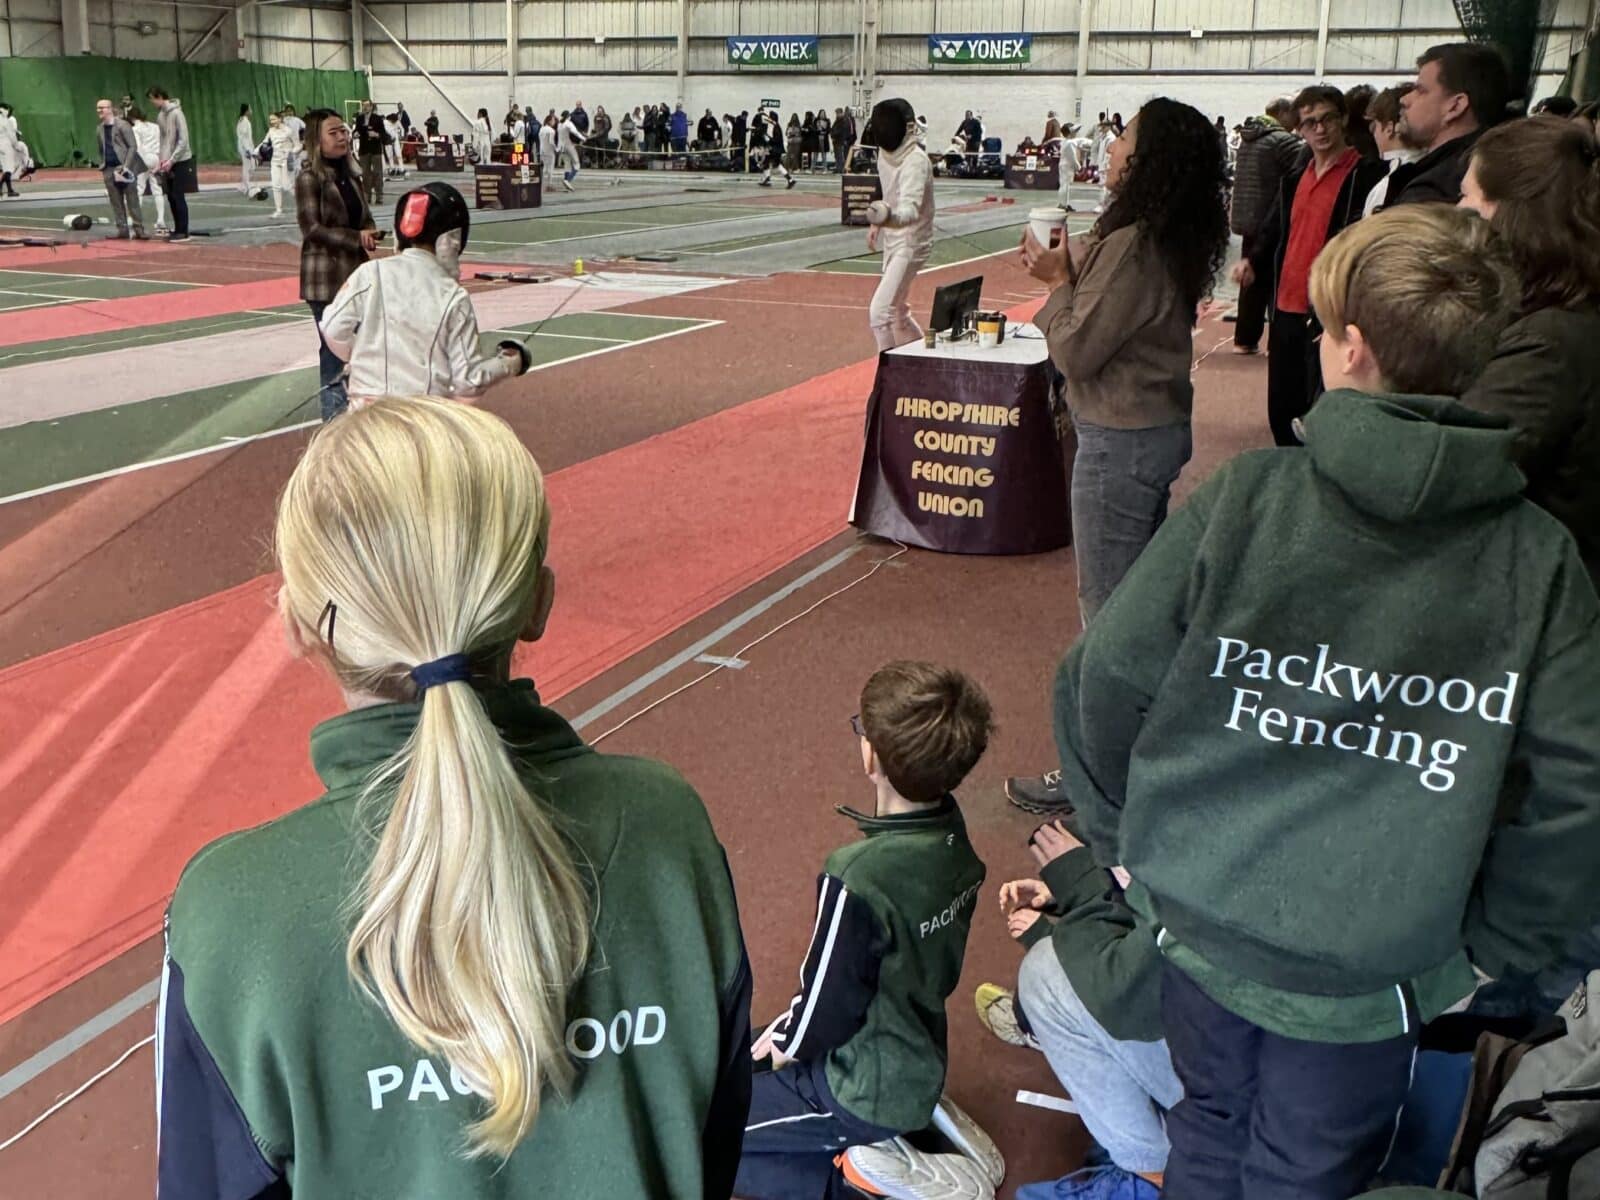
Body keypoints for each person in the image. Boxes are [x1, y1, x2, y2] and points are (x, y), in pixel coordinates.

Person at [1056, 202, 1600, 1200]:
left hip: (1206, 921)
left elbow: (1102, 680)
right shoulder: (1540, 559)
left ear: (1349, 349)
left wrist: (1119, 840)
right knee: (1308, 1168)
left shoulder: (1250, 499)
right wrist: (1498, 948)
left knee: (1207, 1128)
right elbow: (1577, 789)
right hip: (1377, 970)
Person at [156, 396, 752, 1198]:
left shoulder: (229, 912)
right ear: (537, 602)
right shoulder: (667, 826)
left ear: (300, 625)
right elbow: (711, 1138)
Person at [1006, 98, 1229, 815]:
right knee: (1135, 607)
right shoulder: (1155, 235)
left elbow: (1074, 349)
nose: (1109, 147)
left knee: (1107, 620)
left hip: (1122, 439)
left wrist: (1057, 283)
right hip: (1146, 431)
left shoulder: (1134, 243)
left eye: (1123, 138)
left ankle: (1094, 782)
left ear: (1148, 159)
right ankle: (1137, 759)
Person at [735, 661, 995, 1200]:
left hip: (853, 1089)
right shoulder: (951, 831)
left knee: (703, 1141)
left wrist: (775, 1047)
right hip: (912, 1059)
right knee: (747, 1061)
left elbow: (825, 1012)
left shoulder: (856, 875)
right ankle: (902, 1140)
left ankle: (865, 1182)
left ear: (869, 755)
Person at [976, 819, 1173, 1200]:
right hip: (1275, 1063)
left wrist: (1086, 894)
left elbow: (1143, 971)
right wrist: (1097, 893)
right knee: (1066, 974)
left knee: (1047, 975)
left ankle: (1152, 1177)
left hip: (1247, 1097)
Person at [1459, 115, 1600, 585]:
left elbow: (1456, 469)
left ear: (1507, 213)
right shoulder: (1563, 316)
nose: (1457, 209)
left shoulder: (1549, 343)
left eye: (1469, 197)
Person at [1234, 85, 1386, 446]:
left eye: (1327, 119)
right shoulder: (1294, 178)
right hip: (1286, 306)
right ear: (1299, 129)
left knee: (1318, 409)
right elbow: (1274, 229)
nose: (1319, 129)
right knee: (1281, 409)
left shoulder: (1365, 177)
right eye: (1309, 123)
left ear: (1343, 120)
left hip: (1327, 312)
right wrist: (1253, 262)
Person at [320, 184, 529, 405]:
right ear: (453, 239)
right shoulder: (452, 296)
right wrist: (510, 363)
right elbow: (468, 382)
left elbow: (332, 327)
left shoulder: (369, 272)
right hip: (420, 421)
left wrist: (363, 357)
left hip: (364, 420)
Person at [295, 109, 377, 422]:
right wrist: (356, 237)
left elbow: (364, 216)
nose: (343, 136)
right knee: (333, 353)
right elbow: (312, 229)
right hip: (325, 279)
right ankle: (333, 423)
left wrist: (368, 231)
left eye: (344, 130)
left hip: (355, 274)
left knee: (361, 349)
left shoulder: (351, 176)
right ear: (316, 141)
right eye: (334, 132)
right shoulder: (308, 178)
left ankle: (356, 416)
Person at [1390, 42, 1511, 205]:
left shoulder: (1430, 193)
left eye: (1421, 91)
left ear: (1455, 106)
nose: (1404, 99)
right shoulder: (1500, 171)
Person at [1228, 98, 1305, 354]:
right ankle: (1277, 342)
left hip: (1247, 218)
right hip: (1272, 221)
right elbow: (1300, 174)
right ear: (1282, 113)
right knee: (1275, 283)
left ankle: (1244, 339)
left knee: (1250, 283)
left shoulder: (1248, 140)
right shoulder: (1283, 142)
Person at [861, 99, 934, 353]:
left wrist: (887, 217)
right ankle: (925, 364)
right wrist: (879, 223)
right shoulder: (885, 154)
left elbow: (910, 211)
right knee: (898, 314)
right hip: (894, 238)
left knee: (880, 312)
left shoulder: (916, 161)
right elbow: (891, 192)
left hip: (912, 241)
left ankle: (887, 380)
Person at [1360, 84, 1421, 217]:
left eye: (1375, 126)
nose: (1374, 134)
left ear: (1389, 128)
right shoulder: (1439, 164)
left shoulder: (1387, 187)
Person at [146, 86, 194, 241]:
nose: (152, 103)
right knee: (171, 196)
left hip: (181, 160)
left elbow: (183, 140)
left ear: (159, 96)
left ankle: (183, 230)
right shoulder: (160, 115)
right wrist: (162, 160)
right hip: (167, 162)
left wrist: (172, 160)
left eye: (153, 99)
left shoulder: (177, 113)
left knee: (178, 195)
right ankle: (177, 228)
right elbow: (163, 140)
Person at [96, 98, 146, 240]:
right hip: (109, 169)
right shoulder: (99, 129)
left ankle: (139, 229)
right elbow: (101, 149)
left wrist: (126, 167)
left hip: (125, 169)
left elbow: (132, 146)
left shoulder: (123, 125)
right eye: (98, 108)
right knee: (116, 202)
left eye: (102, 108)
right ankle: (122, 229)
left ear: (110, 109)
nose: (99, 111)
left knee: (132, 200)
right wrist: (104, 165)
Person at [129, 107, 166, 230]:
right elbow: (162, 143)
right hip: (156, 157)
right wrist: (159, 162)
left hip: (144, 158)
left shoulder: (135, 129)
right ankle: (161, 220)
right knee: (157, 190)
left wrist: (142, 163)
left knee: (139, 189)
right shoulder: (155, 126)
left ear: (132, 117)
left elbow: (138, 148)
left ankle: (135, 220)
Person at [353, 100, 389, 208]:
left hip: (375, 150)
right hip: (364, 149)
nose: (365, 108)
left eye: (367, 106)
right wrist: (355, 134)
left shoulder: (378, 119)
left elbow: (383, 134)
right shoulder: (359, 119)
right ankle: (367, 196)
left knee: (378, 173)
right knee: (365, 174)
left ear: (371, 107)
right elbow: (356, 131)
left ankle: (379, 196)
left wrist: (377, 134)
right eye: (363, 106)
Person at [264, 112, 299, 218]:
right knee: (275, 186)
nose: (272, 122)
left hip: (285, 161)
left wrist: (291, 153)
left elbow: (298, 145)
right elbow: (264, 143)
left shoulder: (288, 131)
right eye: (271, 120)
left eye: (274, 119)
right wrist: (257, 152)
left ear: (280, 119)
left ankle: (302, 206)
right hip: (275, 161)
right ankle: (278, 210)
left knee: (287, 186)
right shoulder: (271, 131)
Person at [758, 110, 794, 188]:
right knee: (767, 163)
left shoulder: (776, 127)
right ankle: (767, 178)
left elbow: (776, 139)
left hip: (775, 150)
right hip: (774, 149)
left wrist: (768, 138)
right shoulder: (774, 126)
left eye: (770, 117)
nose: (768, 119)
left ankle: (790, 179)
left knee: (776, 165)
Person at [1343, 84, 1379, 160]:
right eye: (1375, 106)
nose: (1381, 107)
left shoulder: (1345, 136)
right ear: (1365, 114)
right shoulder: (1368, 143)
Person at [557, 110, 581, 191]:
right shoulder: (568, 123)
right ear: (568, 116)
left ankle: (566, 180)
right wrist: (584, 139)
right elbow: (575, 132)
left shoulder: (559, 124)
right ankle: (568, 180)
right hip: (568, 145)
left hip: (561, 147)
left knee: (567, 165)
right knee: (577, 164)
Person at [0, 101, 19, 198]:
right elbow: (11, 135)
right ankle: (7, 190)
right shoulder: (4, 120)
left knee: (6, 169)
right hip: (5, 146)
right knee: (9, 169)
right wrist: (16, 146)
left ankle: (10, 190)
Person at [236, 103, 255, 194]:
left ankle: (243, 186)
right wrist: (247, 149)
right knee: (247, 167)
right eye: (250, 108)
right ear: (246, 111)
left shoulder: (243, 120)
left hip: (246, 146)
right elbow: (243, 137)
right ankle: (247, 187)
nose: (251, 110)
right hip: (245, 147)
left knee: (250, 166)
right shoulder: (244, 121)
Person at [281, 104, 306, 173]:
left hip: (296, 144)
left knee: (297, 164)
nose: (289, 113)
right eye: (288, 111)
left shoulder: (297, 120)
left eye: (291, 111)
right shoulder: (283, 120)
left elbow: (306, 128)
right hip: (286, 145)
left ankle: (297, 181)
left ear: (293, 112)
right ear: (285, 112)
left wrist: (304, 140)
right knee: (286, 166)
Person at [538, 115, 559, 185]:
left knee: (544, 168)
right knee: (550, 168)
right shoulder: (552, 131)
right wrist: (556, 149)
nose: (554, 122)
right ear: (549, 121)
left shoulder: (541, 129)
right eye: (553, 120)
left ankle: (542, 183)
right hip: (549, 151)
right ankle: (549, 183)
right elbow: (551, 142)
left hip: (542, 150)